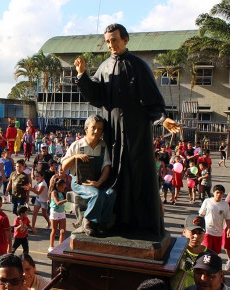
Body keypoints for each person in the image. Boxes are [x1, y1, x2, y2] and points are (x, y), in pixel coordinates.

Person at [74, 23, 180, 237]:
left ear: (125, 39)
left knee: (140, 177)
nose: (111, 44)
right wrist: (82, 75)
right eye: (108, 41)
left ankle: (145, 227)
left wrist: (163, 119)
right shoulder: (103, 67)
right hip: (112, 132)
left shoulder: (139, 66)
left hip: (136, 133)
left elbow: (153, 100)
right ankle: (113, 222)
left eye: (114, 39)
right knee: (114, 177)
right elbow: (96, 95)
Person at [61, 115, 115, 236]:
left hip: (96, 181)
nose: (97, 131)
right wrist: (75, 157)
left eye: (100, 129)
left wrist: (99, 182)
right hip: (80, 182)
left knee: (111, 194)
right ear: (86, 129)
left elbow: (106, 167)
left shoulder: (103, 146)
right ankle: (88, 220)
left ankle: (102, 223)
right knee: (96, 194)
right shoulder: (77, 145)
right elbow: (64, 167)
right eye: (93, 128)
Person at [172, 215, 207, 290]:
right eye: (193, 232)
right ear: (184, 232)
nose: (196, 236)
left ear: (204, 234)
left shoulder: (209, 256)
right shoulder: (175, 252)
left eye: (200, 233)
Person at [199, 185, 230, 255]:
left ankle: (213, 265)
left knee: (216, 253)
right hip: (207, 231)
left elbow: (227, 218)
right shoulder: (207, 201)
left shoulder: (225, 204)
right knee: (206, 251)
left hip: (218, 233)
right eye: (217, 192)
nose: (219, 195)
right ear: (213, 193)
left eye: (221, 193)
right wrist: (199, 227)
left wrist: (228, 229)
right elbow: (201, 215)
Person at [48, 179, 67, 252]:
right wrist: (67, 200)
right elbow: (58, 203)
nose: (63, 189)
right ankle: (51, 246)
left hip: (62, 212)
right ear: (57, 186)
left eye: (64, 188)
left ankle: (60, 246)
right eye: (62, 187)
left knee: (63, 231)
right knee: (54, 230)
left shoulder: (62, 192)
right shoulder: (54, 192)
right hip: (54, 212)